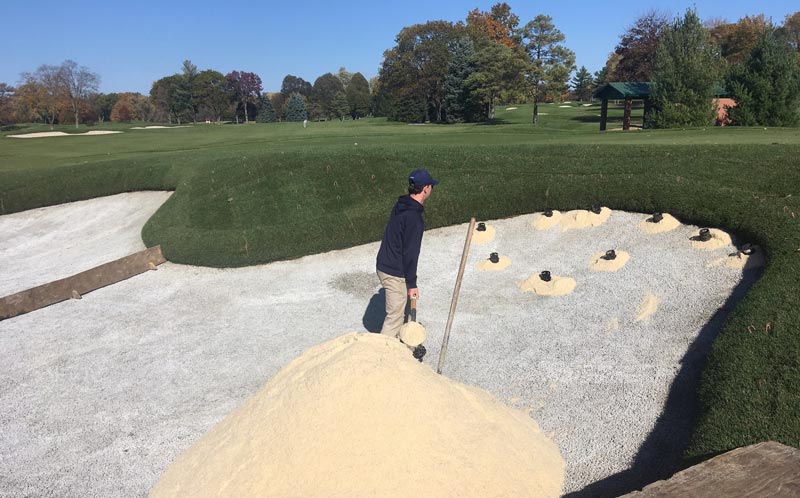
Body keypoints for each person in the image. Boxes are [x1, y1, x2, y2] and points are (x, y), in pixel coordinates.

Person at [376, 168, 438, 357]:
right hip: (394, 270)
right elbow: (410, 254)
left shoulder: (402, 204)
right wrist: (412, 284)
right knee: (394, 317)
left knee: (400, 312)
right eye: (431, 186)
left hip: (385, 263)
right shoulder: (414, 219)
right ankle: (381, 359)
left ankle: (401, 350)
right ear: (425, 188)